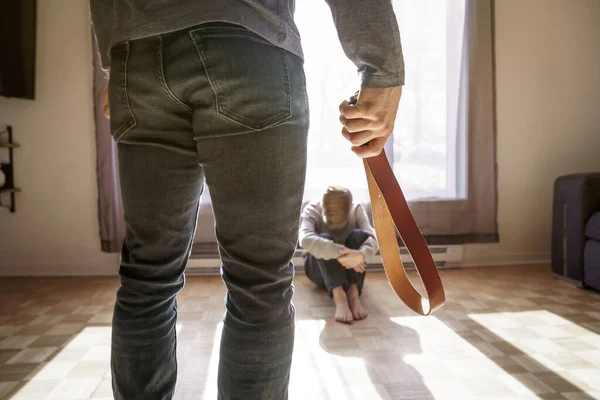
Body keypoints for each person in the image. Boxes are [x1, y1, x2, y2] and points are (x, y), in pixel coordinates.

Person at [90, 0, 404, 398]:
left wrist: (113, 58)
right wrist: (382, 69)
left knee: (146, 277)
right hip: (248, 42)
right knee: (259, 284)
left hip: (137, 58)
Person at [300, 187, 378, 324]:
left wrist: (360, 255)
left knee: (360, 236)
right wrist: (341, 252)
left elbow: (374, 238)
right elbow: (305, 239)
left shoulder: (356, 209)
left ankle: (353, 293)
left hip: (351, 269)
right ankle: (339, 296)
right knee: (322, 239)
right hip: (319, 271)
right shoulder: (312, 209)